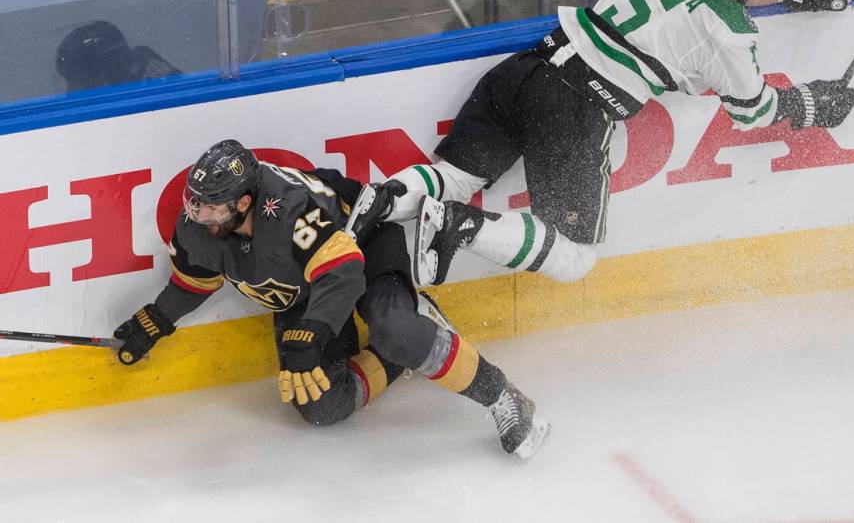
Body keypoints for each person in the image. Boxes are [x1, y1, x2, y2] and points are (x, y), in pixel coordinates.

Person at [345, 0, 854, 287]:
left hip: (528, 68)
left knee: (455, 175)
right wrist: (811, 104)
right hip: (577, 110)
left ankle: (386, 198)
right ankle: (461, 225)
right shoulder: (726, 36)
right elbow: (752, 110)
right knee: (574, 258)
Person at [112, 139, 549, 459]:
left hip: (359, 251)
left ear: (244, 202)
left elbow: (341, 274)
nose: (196, 214)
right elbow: (195, 281)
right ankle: (403, 351)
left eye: (209, 207)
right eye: (195, 203)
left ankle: (502, 396)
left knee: (395, 328)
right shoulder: (198, 228)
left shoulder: (288, 206)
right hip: (304, 289)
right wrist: (154, 321)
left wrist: (308, 337)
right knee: (323, 406)